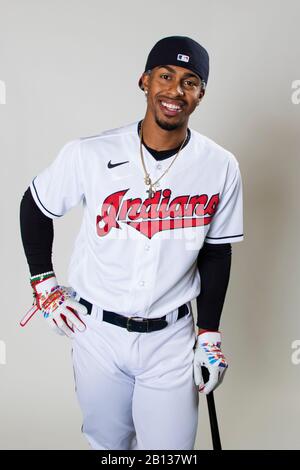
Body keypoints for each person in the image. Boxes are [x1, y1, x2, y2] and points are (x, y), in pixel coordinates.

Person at [19, 35, 244, 450]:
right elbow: (35, 206)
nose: (175, 90)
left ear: (200, 95)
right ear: (144, 81)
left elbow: (217, 250)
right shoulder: (88, 153)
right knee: (108, 445)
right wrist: (44, 285)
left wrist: (209, 334)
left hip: (171, 337)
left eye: (190, 81)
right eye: (165, 76)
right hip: (97, 332)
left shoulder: (221, 166)